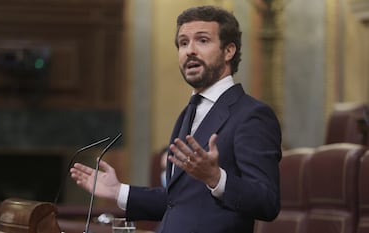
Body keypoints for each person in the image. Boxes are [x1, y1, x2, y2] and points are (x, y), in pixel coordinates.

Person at [70, 5, 281, 233]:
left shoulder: (251, 114)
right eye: (183, 43)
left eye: (202, 40)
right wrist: (118, 191)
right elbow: (179, 201)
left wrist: (216, 178)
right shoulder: (188, 112)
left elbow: (267, 202)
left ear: (228, 51)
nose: (189, 50)